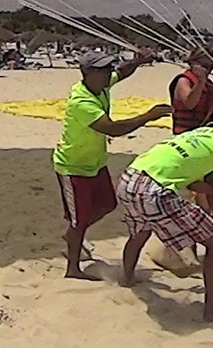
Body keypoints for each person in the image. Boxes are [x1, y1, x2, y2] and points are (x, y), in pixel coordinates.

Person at [117, 109, 213, 322]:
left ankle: (127, 278)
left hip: (130, 178)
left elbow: (191, 179)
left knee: (142, 230)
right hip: (155, 190)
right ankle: (212, 312)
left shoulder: (198, 134)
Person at [52, 48, 166, 280]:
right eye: (102, 70)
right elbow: (113, 129)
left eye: (107, 69)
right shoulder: (82, 102)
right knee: (80, 221)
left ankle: (74, 233)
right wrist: (148, 116)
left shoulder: (101, 85)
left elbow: (122, 72)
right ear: (86, 72)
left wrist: (139, 61)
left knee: (107, 205)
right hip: (73, 167)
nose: (107, 73)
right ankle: (73, 268)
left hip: (95, 162)